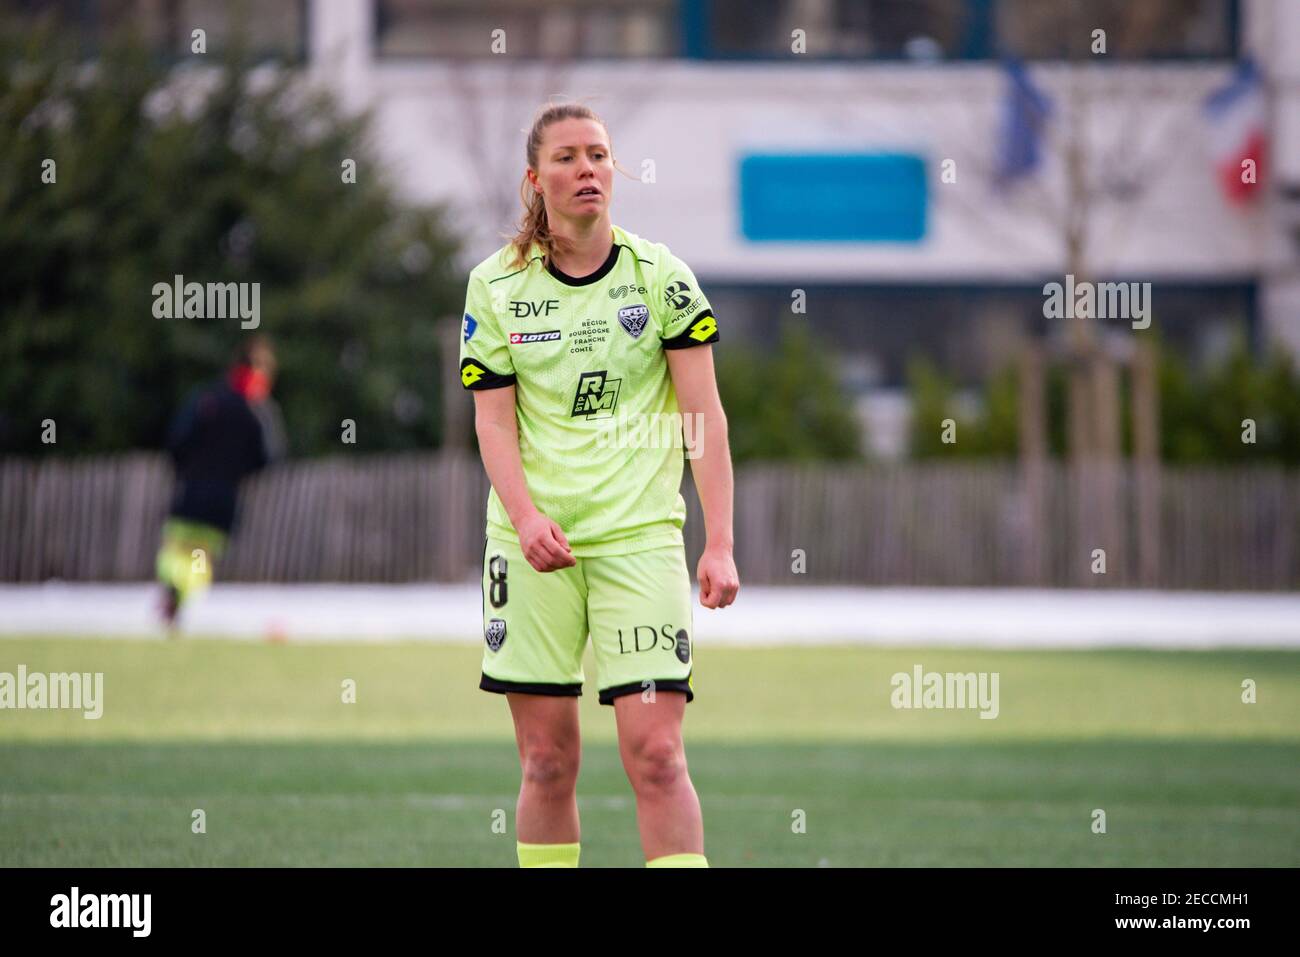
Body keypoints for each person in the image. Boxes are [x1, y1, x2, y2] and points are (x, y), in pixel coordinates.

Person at [459, 102, 739, 868]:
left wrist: (718, 542)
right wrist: (523, 517)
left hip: (641, 542)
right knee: (547, 760)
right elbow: (492, 424)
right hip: (530, 549)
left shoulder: (662, 279)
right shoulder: (495, 287)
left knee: (657, 756)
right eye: (568, 157)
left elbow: (702, 416)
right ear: (534, 178)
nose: (587, 168)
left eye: (599, 154)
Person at [156, 335, 284, 629]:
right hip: (225, 498)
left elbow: (177, 440)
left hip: (191, 492)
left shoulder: (207, 399)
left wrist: (186, 469)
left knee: (175, 549)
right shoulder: (258, 410)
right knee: (201, 558)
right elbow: (269, 457)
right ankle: (180, 594)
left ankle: (173, 588)